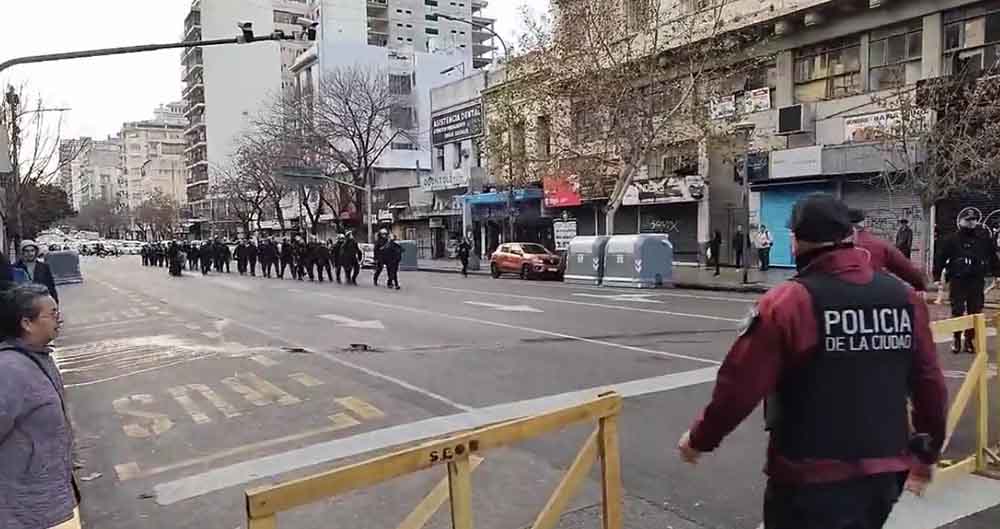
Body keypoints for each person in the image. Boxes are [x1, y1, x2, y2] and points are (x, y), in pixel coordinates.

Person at [678, 193, 947, 529]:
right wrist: (925, 457)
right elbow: (929, 384)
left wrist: (700, 439)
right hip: (884, 473)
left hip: (809, 479)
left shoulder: (789, 303)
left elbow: (739, 386)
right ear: (850, 236)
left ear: (795, 241)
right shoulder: (904, 299)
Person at [0, 284, 80, 529]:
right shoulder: (9, 370)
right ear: (27, 323)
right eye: (52, 314)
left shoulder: (39, 356)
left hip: (51, 492)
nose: (60, 319)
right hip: (25, 507)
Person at [933, 210, 1000, 354]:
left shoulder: (983, 238)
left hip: (976, 280)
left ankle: (969, 340)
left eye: (974, 220)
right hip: (958, 279)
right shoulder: (952, 239)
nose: (971, 222)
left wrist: (997, 274)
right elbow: (940, 258)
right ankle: (956, 339)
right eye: (968, 220)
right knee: (957, 310)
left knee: (974, 310)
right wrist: (937, 277)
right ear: (961, 221)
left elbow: (992, 256)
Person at [848, 209, 927, 292]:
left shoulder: (837, 242)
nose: (902, 224)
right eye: (901, 223)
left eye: (903, 223)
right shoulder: (879, 244)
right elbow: (908, 270)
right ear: (864, 222)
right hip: (872, 290)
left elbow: (908, 242)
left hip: (844, 292)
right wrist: (920, 286)